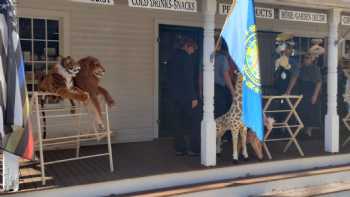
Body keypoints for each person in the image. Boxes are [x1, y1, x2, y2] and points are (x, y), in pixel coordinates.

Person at [167, 37, 201, 156]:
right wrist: (194, 97)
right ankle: (195, 148)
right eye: (192, 49)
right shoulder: (186, 58)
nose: (193, 52)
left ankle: (179, 148)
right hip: (186, 96)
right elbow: (188, 79)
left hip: (173, 95)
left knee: (177, 122)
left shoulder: (172, 57)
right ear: (187, 46)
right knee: (195, 120)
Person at [291, 53, 322, 136]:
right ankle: (304, 128)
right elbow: (295, 78)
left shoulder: (315, 68)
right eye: (304, 58)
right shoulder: (301, 68)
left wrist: (315, 95)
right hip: (303, 90)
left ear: (312, 59)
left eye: (307, 58)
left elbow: (319, 82)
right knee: (302, 110)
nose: (305, 59)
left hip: (312, 90)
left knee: (311, 111)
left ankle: (309, 130)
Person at [214, 38, 235, 118]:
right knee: (222, 114)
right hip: (220, 89)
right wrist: (232, 91)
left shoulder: (205, 57)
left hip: (208, 88)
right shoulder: (222, 58)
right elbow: (226, 76)